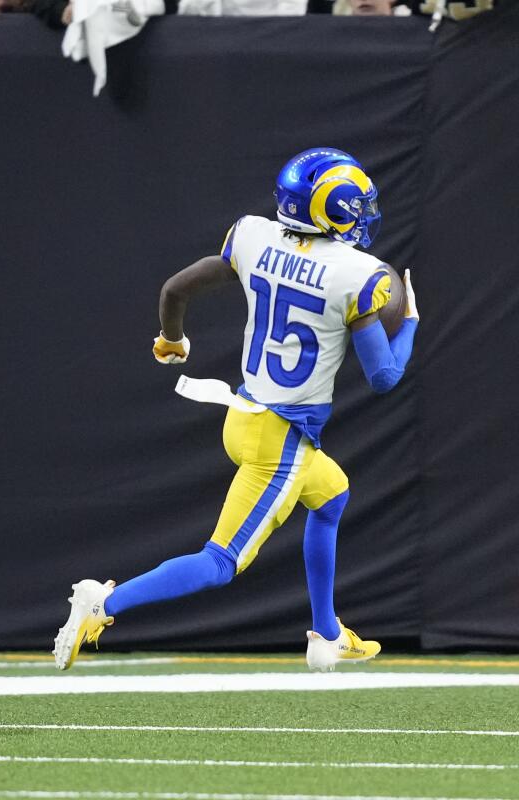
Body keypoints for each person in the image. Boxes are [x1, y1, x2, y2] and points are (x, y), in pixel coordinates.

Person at [54, 147, 419, 673]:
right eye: (356, 206)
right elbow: (384, 377)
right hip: (283, 440)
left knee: (332, 494)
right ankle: (103, 604)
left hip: (243, 416)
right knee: (220, 562)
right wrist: (409, 322)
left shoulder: (253, 234)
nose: (363, 215)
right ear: (331, 210)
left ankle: (328, 635)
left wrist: (172, 340)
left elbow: (175, 288)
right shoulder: (357, 275)